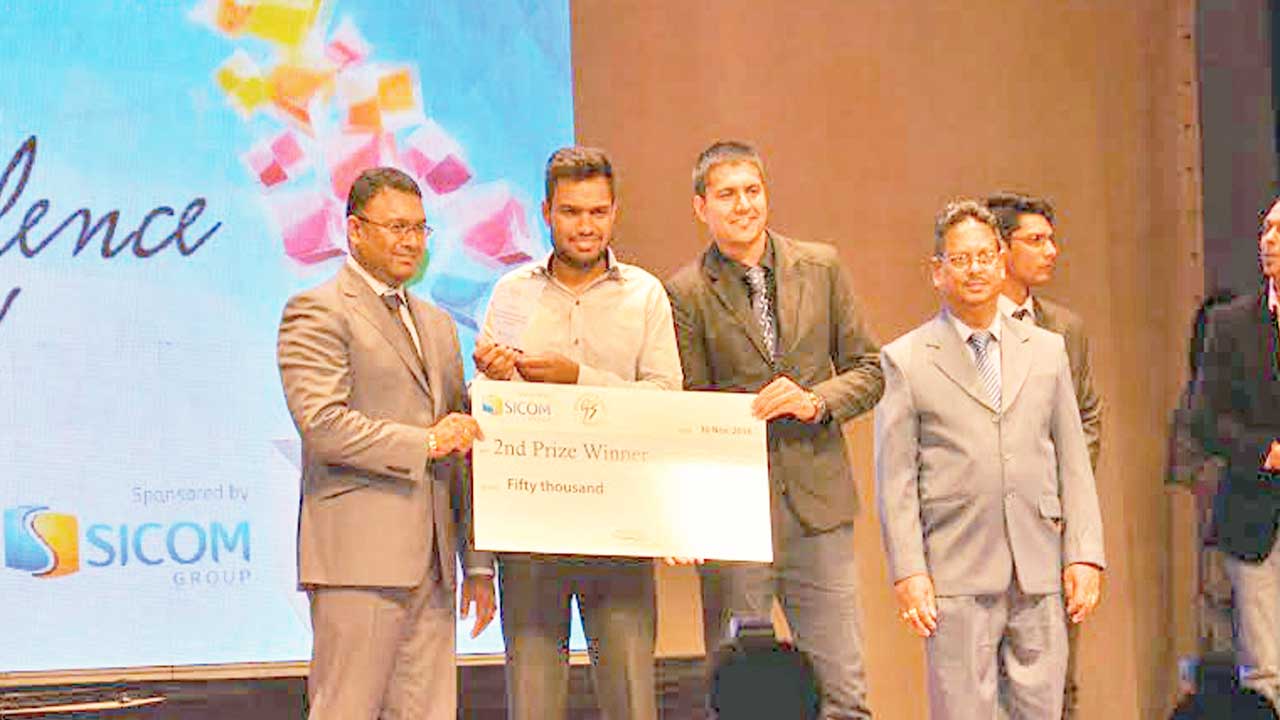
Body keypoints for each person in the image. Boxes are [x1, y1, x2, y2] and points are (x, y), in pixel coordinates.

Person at [665, 140, 883, 719]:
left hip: (819, 510)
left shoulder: (822, 267)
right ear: (701, 207)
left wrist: (815, 400)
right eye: (727, 194)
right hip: (735, 517)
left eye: (752, 191)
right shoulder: (686, 291)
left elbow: (870, 370)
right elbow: (689, 409)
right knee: (740, 698)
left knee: (844, 694)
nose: (743, 205)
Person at [277, 167, 495, 720]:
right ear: (355, 230)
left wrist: (477, 565)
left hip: (434, 565)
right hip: (358, 561)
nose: (411, 241)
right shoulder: (317, 310)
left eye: (420, 228)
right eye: (397, 227)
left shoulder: (438, 324)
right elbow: (323, 425)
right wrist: (426, 441)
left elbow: (460, 449)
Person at [472, 146, 682, 720]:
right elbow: (488, 412)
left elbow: (666, 401)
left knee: (632, 701)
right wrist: (492, 381)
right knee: (533, 703)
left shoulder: (645, 294)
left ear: (614, 212)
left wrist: (579, 380)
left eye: (597, 211)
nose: (585, 226)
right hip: (532, 526)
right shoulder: (513, 292)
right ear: (546, 212)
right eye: (571, 212)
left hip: (621, 526)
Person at [875, 200, 1105, 719]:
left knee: (1043, 709)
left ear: (1002, 262)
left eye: (984, 256)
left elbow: (1073, 460)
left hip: (1039, 564)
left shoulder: (1047, 350)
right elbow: (896, 480)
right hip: (954, 568)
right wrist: (909, 571)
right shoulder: (906, 359)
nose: (975, 269)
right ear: (938, 271)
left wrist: (1084, 553)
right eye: (960, 259)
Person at [986, 191, 1102, 719]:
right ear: (1001, 249)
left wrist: (1057, 491)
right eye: (1035, 240)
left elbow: (1087, 419)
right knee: (987, 680)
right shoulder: (968, 327)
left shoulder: (1064, 329)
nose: (1051, 251)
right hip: (984, 529)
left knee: (1058, 678)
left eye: (1051, 239)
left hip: (1051, 524)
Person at [1191, 197, 1280, 710]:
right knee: (1263, 672)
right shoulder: (1230, 323)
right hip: (1255, 514)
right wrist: (1265, 451)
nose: (1268, 241)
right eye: (1265, 229)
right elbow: (1205, 419)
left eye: (1279, 231)